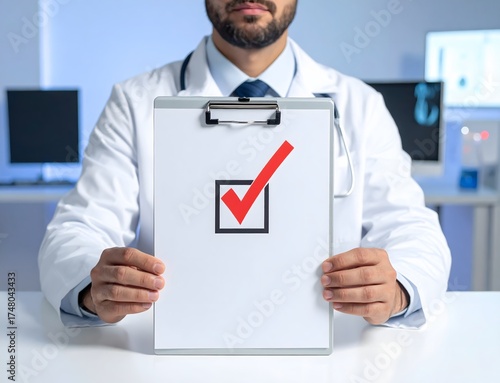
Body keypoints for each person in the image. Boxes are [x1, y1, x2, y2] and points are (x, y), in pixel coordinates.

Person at [38, 0, 451, 328]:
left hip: (324, 353)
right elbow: (78, 228)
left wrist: (396, 289)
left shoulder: (358, 105)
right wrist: (93, 287)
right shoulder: (134, 102)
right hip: (172, 353)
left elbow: (412, 228)